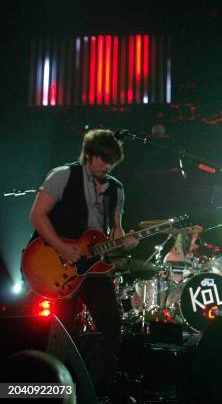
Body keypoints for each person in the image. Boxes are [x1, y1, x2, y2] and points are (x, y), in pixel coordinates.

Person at [28, 129, 138, 394]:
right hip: (57, 262)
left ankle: (101, 388)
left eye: (112, 161)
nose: (107, 165)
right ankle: (54, 389)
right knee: (60, 333)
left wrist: (125, 240)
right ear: (88, 155)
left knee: (112, 324)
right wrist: (62, 247)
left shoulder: (117, 189)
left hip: (93, 267)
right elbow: (37, 215)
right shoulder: (63, 175)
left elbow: (116, 230)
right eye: (102, 159)